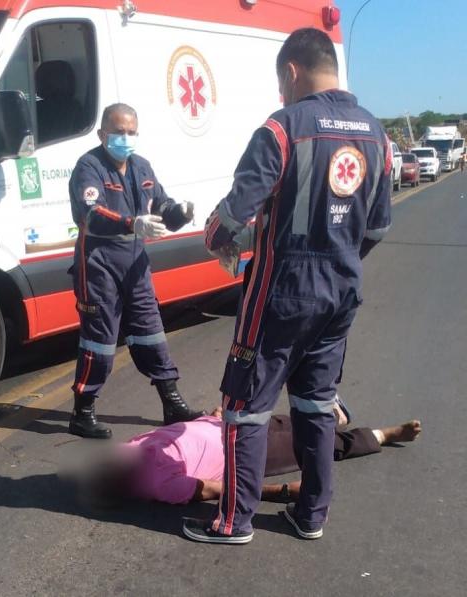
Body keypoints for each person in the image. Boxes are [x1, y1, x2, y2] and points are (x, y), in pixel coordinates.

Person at [184, 28, 392, 544]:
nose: (282, 92)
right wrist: (339, 261)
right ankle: (312, 515)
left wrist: (216, 240)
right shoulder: (377, 135)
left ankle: (235, 521)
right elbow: (378, 226)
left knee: (243, 406)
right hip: (341, 292)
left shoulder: (283, 129)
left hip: (281, 292)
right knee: (317, 403)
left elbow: (233, 217)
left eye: (283, 82)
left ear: (292, 72)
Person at [68, 103, 204, 439]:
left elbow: (161, 205)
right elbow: (91, 214)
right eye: (118, 132)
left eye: (131, 132)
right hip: (99, 266)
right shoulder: (89, 167)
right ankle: (83, 411)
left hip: (136, 265)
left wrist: (180, 213)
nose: (125, 138)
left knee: (151, 332)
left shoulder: (142, 167)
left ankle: (171, 402)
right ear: (102, 134)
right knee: (99, 341)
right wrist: (132, 223)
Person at [82, 402, 421, 508]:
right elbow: (219, 490)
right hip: (248, 450)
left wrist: (210, 418)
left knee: (299, 421)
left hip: (229, 423)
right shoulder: (160, 487)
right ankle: (383, 435)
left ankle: (334, 417)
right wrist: (283, 491)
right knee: (319, 445)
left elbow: (177, 434)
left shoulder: (130, 448)